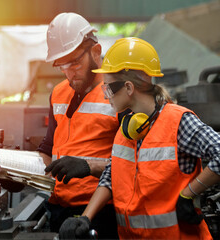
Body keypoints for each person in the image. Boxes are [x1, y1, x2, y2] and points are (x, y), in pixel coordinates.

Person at [59, 37, 220, 239]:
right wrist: (85, 218)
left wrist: (189, 194)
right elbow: (111, 175)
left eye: (108, 87)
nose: (106, 95)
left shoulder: (178, 122)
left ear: (128, 87)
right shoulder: (127, 126)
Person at [37, 12, 127, 238]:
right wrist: (24, 178)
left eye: (75, 62)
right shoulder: (58, 92)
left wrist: (88, 166)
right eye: (61, 65)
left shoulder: (118, 95)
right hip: (58, 209)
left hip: (100, 212)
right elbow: (48, 148)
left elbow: (133, 164)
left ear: (96, 52)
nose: (69, 73)